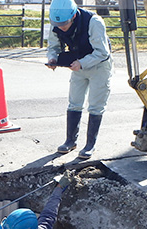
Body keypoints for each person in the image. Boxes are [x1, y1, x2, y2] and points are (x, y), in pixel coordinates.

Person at [46, 0, 113, 160]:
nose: (61, 27)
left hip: (98, 65)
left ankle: (90, 144)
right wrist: (53, 59)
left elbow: (103, 52)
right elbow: (53, 46)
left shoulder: (94, 21)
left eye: (65, 24)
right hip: (77, 62)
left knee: (96, 105)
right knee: (74, 102)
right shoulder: (56, 23)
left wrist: (82, 63)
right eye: (58, 24)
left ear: (74, 16)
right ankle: (70, 141)